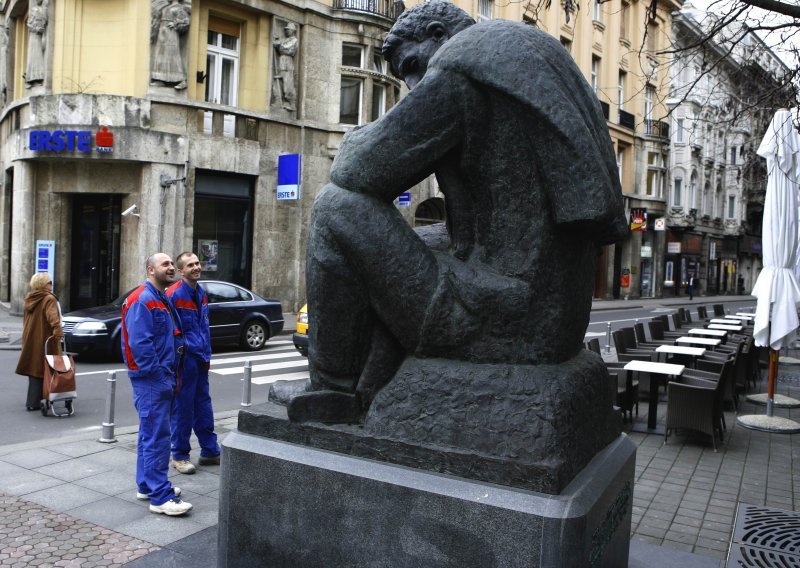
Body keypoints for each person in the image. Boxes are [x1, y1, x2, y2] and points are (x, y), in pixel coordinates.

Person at [277, 1, 628, 422]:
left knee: (335, 209)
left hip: (507, 316)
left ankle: (331, 389)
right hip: (557, 319)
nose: (411, 84)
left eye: (410, 65)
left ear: (439, 34)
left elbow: (357, 172)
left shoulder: (461, 64)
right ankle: (369, 380)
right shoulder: (531, 57)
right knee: (420, 239)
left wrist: (359, 134)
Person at [121, 253, 192, 516]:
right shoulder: (143, 299)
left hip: (158, 379)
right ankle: (160, 496)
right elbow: (141, 347)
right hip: (152, 381)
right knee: (157, 438)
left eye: (172, 264)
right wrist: (161, 376)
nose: (171, 267)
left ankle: (147, 485)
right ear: (151, 269)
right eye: (166, 264)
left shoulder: (158, 298)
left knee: (149, 434)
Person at [166, 252, 220, 475]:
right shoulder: (174, 294)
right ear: (181, 271)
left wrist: (206, 355)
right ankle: (179, 455)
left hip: (200, 359)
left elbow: (203, 328)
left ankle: (209, 450)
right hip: (184, 361)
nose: (197, 267)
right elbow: (170, 331)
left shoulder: (201, 292)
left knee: (203, 406)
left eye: (197, 263)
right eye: (190, 265)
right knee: (183, 409)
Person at [15, 273, 62, 411]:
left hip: (31, 338)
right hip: (44, 339)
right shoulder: (48, 298)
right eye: (50, 282)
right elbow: (53, 317)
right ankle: (37, 401)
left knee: (34, 368)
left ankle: (34, 401)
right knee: (44, 368)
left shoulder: (31, 298)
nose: (51, 284)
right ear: (44, 284)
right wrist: (58, 331)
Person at [150, 0, 191, 90]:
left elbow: (186, 22)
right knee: (160, 57)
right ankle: (159, 79)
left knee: (173, 56)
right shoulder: (165, 7)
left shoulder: (180, 8)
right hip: (162, 34)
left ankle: (181, 80)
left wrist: (175, 23)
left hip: (171, 35)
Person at [272, 22, 298, 111]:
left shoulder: (294, 40)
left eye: (288, 30)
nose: (286, 31)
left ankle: (291, 103)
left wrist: (279, 46)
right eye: (285, 30)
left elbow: (286, 48)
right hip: (282, 61)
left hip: (288, 62)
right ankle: (279, 100)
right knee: (279, 79)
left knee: (288, 82)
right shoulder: (285, 39)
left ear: (293, 31)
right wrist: (278, 45)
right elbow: (279, 46)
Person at [25, 0, 48, 87]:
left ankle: (38, 77)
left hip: (41, 36)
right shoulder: (34, 10)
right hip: (34, 37)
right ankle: (30, 79)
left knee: (39, 58)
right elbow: (29, 25)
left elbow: (45, 21)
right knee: (33, 57)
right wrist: (36, 29)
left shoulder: (43, 9)